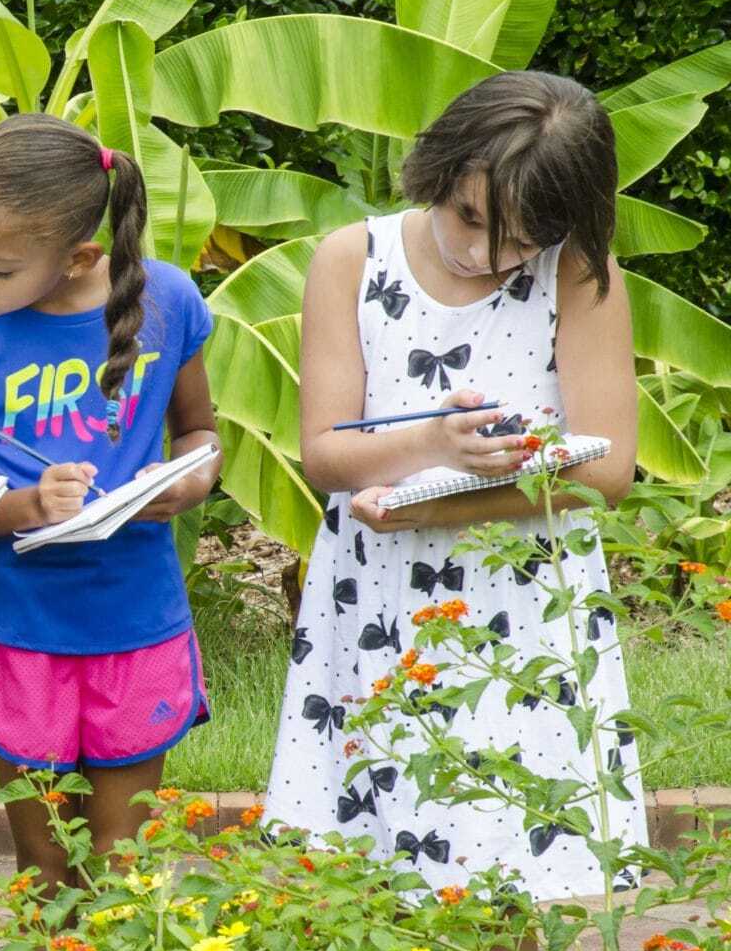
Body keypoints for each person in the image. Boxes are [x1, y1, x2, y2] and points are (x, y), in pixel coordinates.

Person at [268, 71, 647, 903]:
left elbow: (608, 468)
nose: (481, 254)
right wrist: (433, 443)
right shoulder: (352, 259)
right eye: (470, 218)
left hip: (525, 604)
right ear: (440, 166)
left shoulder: (576, 273)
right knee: (368, 843)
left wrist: (447, 502)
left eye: (516, 241)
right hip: (378, 601)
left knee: (512, 848)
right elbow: (326, 454)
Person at [0, 115, 220, 882]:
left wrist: (188, 482)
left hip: (138, 617)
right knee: (45, 856)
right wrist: (27, 507)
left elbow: (200, 434)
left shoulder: (167, 301)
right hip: (21, 629)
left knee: (121, 854)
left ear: (81, 254)